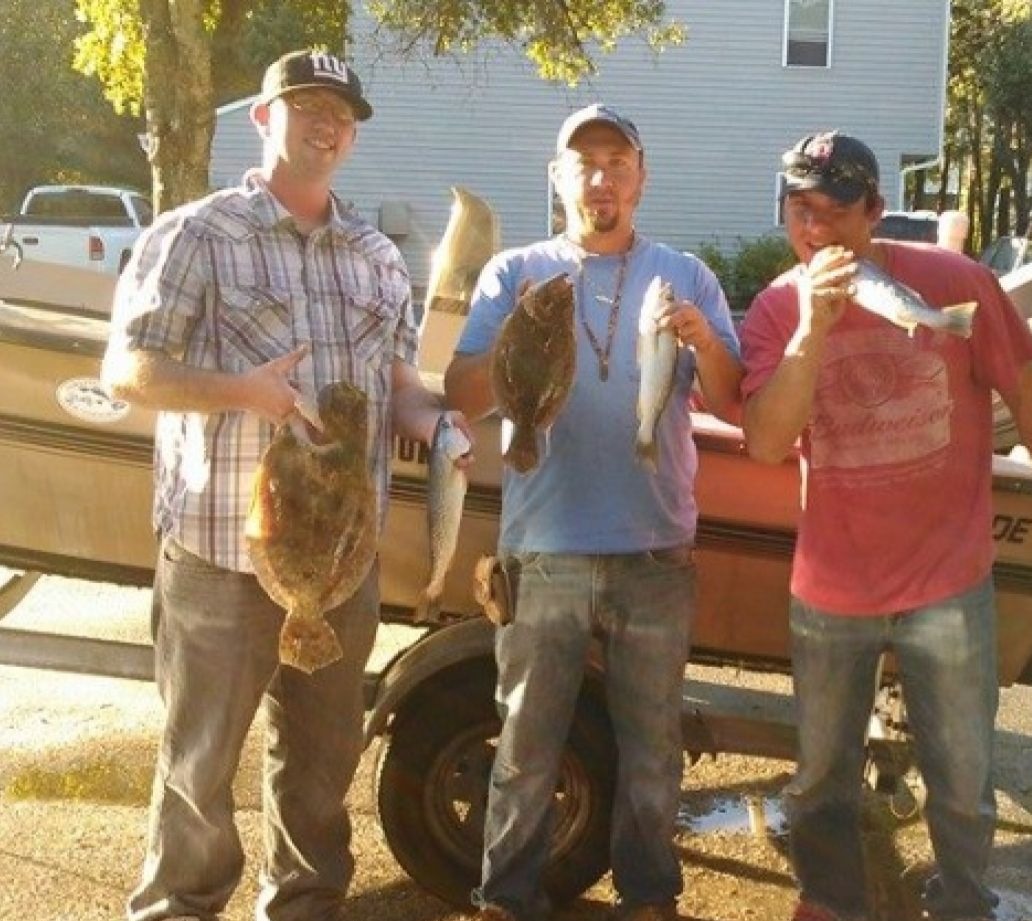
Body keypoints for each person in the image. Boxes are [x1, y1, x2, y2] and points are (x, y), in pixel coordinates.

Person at [102, 49, 465, 921]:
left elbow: (399, 386)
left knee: (320, 766)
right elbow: (127, 370)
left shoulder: (377, 255)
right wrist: (244, 391)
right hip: (222, 558)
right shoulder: (196, 234)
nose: (326, 123)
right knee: (198, 768)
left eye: (341, 112)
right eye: (306, 105)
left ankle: (304, 905)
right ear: (264, 118)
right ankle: (179, 907)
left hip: (340, 570)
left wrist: (440, 424)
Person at [740, 131, 1032, 921]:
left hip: (949, 580)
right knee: (821, 774)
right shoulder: (774, 308)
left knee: (963, 774)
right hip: (832, 586)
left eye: (836, 210)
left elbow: (1031, 399)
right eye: (800, 210)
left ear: (875, 211)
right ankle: (829, 900)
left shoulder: (956, 282)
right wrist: (812, 328)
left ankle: (964, 901)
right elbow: (766, 442)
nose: (817, 229)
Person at [444, 103, 743, 921]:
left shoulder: (686, 276)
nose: (601, 177)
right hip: (543, 551)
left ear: (641, 177)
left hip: (656, 552)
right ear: (558, 177)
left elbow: (734, 401)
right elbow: (460, 396)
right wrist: (513, 334)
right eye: (585, 163)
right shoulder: (515, 271)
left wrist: (705, 342)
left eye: (618, 162)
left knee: (653, 748)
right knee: (526, 743)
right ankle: (506, 896)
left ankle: (648, 897)